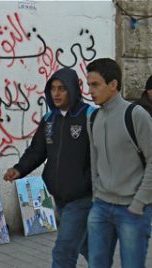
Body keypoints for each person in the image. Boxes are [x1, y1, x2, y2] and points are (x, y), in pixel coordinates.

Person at [3, 68, 93, 268]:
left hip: (83, 197)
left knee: (63, 251)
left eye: (62, 88)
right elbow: (36, 151)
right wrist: (19, 169)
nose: (57, 93)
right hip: (60, 196)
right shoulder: (49, 119)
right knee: (87, 246)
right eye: (53, 88)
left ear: (73, 89)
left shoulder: (89, 116)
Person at [86, 58, 152, 268]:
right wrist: (96, 195)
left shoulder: (136, 115)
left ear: (113, 85)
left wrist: (139, 202)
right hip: (101, 207)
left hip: (132, 209)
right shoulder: (93, 118)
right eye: (88, 85)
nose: (90, 90)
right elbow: (94, 159)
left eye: (95, 84)